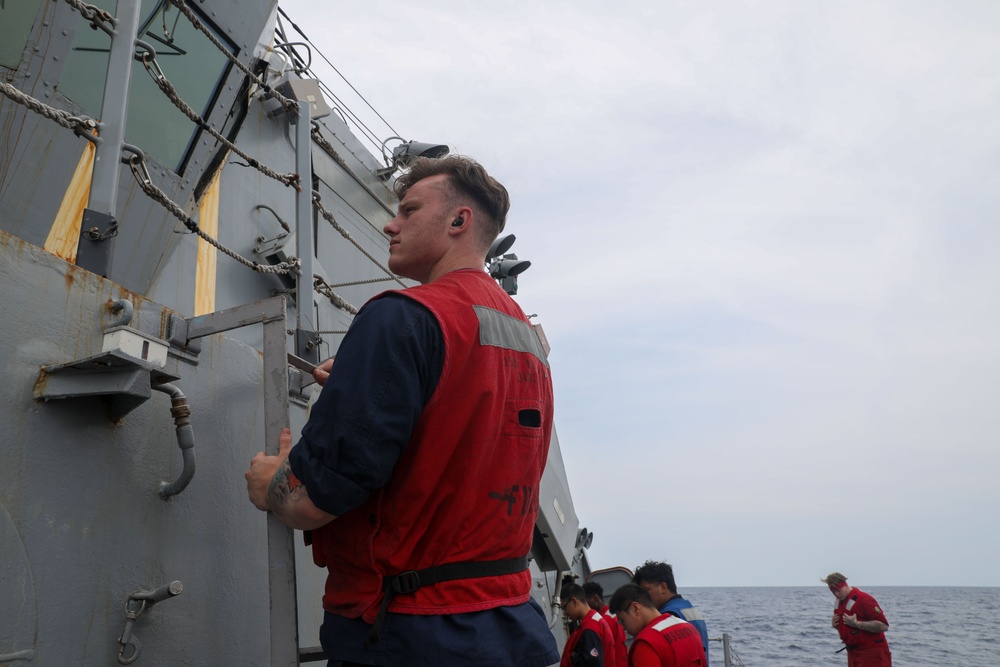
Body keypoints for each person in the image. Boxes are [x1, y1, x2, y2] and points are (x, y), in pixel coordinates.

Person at [244, 155, 558, 667]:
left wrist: (273, 482)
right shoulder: (528, 339)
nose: (391, 223)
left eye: (409, 210)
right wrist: (363, 386)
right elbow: (461, 424)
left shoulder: (403, 318)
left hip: (408, 633)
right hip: (507, 627)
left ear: (459, 221)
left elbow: (308, 502)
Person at [608, 584, 706, 667]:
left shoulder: (645, 645)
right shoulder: (688, 627)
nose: (624, 628)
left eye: (622, 620)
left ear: (635, 608)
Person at [632, 560, 710, 664]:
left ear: (663, 588)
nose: (642, 597)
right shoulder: (690, 608)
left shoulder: (667, 617)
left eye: (646, 590)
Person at [823, 572, 892, 667]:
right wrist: (836, 625)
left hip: (872, 653)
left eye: (839, 590)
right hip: (853, 653)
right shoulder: (839, 603)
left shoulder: (864, 600)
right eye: (833, 592)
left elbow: (884, 626)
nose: (837, 594)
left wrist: (857, 624)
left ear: (845, 585)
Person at [560, 583, 614, 667]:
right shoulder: (595, 620)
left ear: (574, 601)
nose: (565, 613)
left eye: (564, 608)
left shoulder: (590, 628)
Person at [584, 581, 627, 667]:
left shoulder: (603, 621)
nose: (585, 606)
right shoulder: (613, 614)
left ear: (595, 598)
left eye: (585, 602)